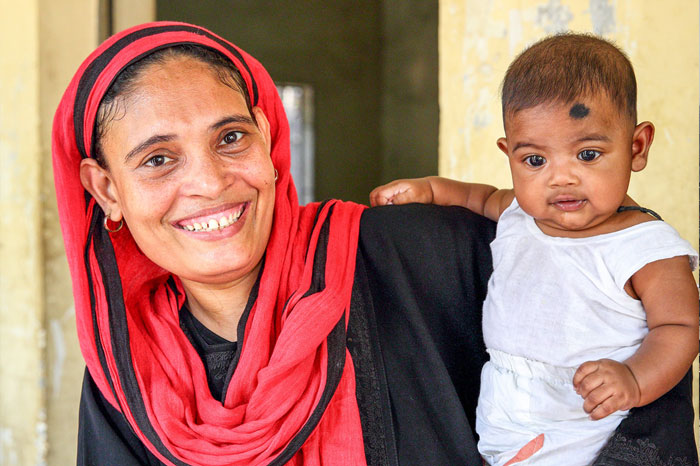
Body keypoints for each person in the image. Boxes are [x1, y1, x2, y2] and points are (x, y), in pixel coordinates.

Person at [52, 23, 696, 466]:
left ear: (269, 141)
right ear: (105, 188)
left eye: (230, 139)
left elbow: (633, 353)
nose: (211, 184)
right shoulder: (130, 373)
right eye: (159, 159)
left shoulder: (425, 253)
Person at [371, 33, 699, 465]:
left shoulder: (644, 247)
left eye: (587, 153)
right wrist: (428, 190)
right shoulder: (517, 213)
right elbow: (479, 197)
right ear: (509, 154)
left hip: (587, 430)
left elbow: (680, 328)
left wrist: (634, 379)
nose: (561, 178)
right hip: (507, 417)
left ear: (636, 147)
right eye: (535, 161)